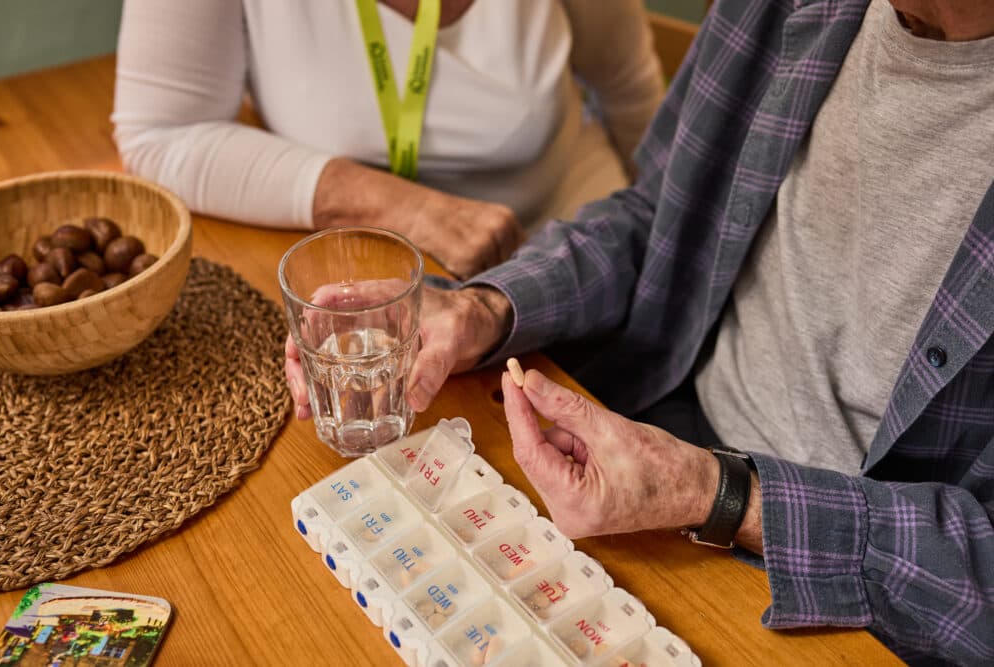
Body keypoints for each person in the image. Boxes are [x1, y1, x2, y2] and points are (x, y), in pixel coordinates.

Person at [284, 0, 994, 662]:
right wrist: (488, 308)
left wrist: (722, 494)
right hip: (658, 444)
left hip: (852, 595)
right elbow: (659, 214)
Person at [110, 0, 664, 279]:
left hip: (574, 264)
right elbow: (161, 133)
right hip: (363, 280)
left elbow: (633, 96)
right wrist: (411, 210)